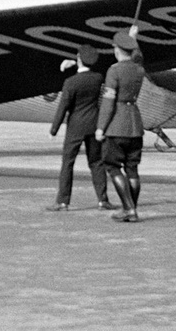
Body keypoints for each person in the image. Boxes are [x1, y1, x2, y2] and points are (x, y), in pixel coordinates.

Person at [47, 46, 110, 211]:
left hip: (75, 126)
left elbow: (63, 107)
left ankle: (63, 201)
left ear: (78, 58)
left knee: (68, 163)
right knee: (96, 162)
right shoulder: (98, 78)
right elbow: (86, 67)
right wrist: (76, 61)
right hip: (93, 124)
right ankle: (103, 200)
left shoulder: (70, 82)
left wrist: (54, 130)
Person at [97, 31, 146, 222]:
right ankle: (131, 208)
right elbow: (139, 58)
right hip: (135, 122)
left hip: (117, 124)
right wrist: (135, 39)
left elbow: (108, 102)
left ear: (117, 50)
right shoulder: (139, 69)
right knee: (132, 169)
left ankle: (129, 209)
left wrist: (101, 127)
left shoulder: (114, 71)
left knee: (113, 166)